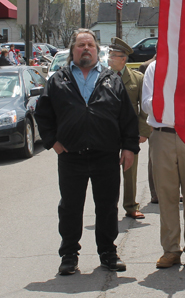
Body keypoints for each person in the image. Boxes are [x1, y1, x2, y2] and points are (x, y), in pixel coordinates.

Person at [34, 29, 140, 275]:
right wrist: (53, 142)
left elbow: (127, 118)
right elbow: (43, 115)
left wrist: (129, 147)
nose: (86, 49)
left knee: (107, 206)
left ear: (97, 50)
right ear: (73, 50)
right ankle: (69, 255)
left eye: (90, 45)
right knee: (70, 207)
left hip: (106, 156)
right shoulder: (58, 80)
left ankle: (108, 252)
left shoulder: (111, 79)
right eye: (81, 45)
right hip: (71, 157)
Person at [142, 60, 185, 269]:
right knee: (166, 195)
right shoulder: (154, 68)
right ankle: (170, 250)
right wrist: (171, 97)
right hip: (163, 136)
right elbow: (146, 103)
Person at [107, 37, 150, 219]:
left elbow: (145, 108)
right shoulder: (102, 77)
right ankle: (108, 206)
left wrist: (142, 132)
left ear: (123, 59)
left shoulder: (137, 78)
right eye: (109, 55)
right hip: (107, 132)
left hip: (130, 133)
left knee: (130, 170)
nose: (109, 59)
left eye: (113, 56)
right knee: (108, 171)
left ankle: (131, 205)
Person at [138, 54, 158, 204]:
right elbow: (143, 99)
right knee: (154, 159)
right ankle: (155, 192)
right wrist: (145, 126)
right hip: (153, 121)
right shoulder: (147, 66)